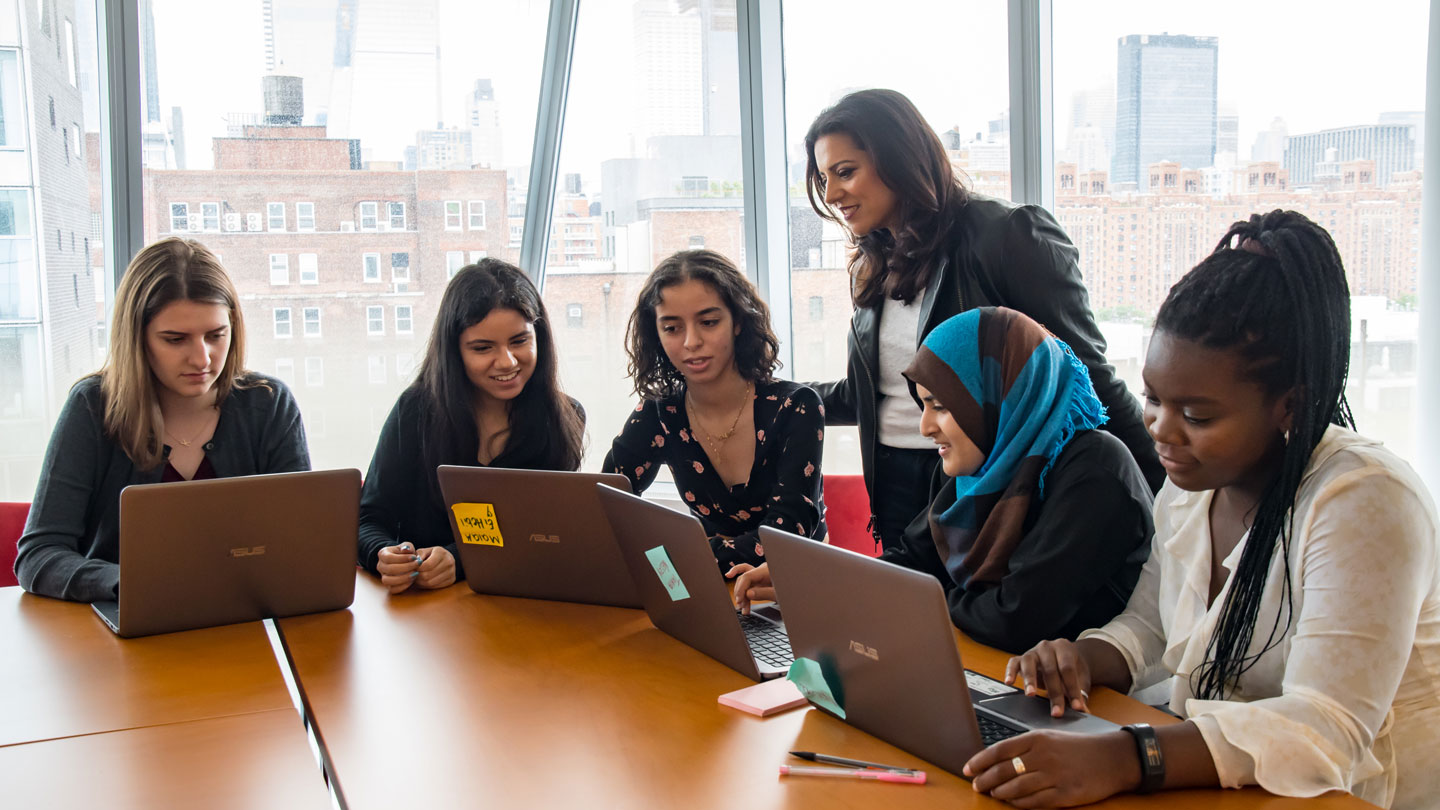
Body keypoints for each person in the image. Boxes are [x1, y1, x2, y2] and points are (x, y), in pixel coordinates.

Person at [965, 211, 1440, 809]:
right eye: (1154, 399)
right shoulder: (1194, 485)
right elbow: (1150, 627)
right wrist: (1079, 659)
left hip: (1359, 796)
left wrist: (1128, 756)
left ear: (1289, 406)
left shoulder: (1365, 501)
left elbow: (1327, 728)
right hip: (1229, 783)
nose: (1162, 431)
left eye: (1197, 416)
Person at [803, 88, 1162, 555]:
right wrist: (768, 396)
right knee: (905, 618)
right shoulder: (872, 264)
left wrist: (1166, 500)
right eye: (824, 178)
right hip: (892, 482)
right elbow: (868, 394)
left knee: (984, 621)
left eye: (845, 172)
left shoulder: (1007, 235)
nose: (832, 195)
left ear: (899, 157)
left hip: (989, 483)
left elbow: (1087, 376)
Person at [732, 307, 1153, 655]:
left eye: (941, 406)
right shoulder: (982, 465)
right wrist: (813, 580)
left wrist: (919, 595)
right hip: (993, 672)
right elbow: (915, 561)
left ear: (997, 394)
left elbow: (1013, 621)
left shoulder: (1094, 470)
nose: (925, 426)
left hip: (1089, 709)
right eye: (923, 404)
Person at [14, 237, 309, 602]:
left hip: (244, 621)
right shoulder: (93, 406)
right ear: (136, 339)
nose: (202, 359)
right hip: (122, 631)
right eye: (175, 339)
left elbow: (302, 546)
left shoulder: (268, 404)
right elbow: (39, 556)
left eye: (216, 335)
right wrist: (130, 584)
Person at [358, 259, 585, 594]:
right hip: (421, 615)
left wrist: (459, 560)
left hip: (517, 608)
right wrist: (382, 554)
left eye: (520, 340)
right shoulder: (416, 410)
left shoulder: (564, 417)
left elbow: (540, 538)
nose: (507, 361)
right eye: (482, 348)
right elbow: (368, 519)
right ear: (455, 351)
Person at [604, 249, 825, 570]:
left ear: (738, 321)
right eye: (672, 328)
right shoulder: (658, 413)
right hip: (709, 582)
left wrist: (680, 557)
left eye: (708, 322)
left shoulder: (797, 406)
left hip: (794, 579)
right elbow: (604, 502)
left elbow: (787, 532)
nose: (691, 342)